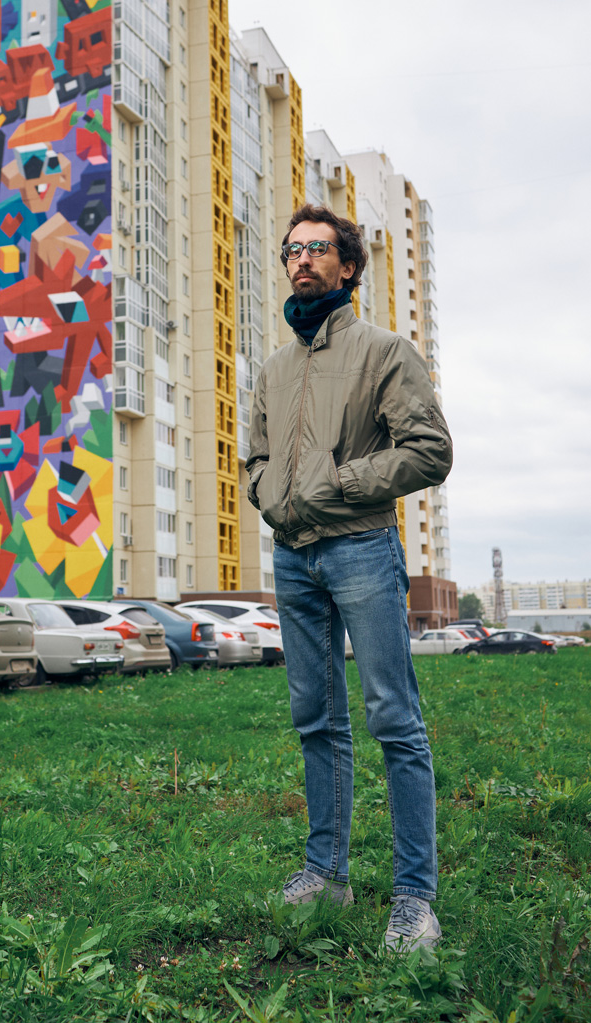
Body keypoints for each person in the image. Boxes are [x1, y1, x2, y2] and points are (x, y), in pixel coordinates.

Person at [246, 204, 453, 951]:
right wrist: (271, 496)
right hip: (294, 557)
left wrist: (336, 482)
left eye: (317, 249)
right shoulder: (273, 367)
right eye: (291, 249)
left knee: (394, 717)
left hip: (362, 547)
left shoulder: (384, 351)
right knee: (315, 717)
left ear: (348, 266)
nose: (300, 259)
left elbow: (429, 449)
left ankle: (414, 897)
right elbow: (256, 460)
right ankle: (325, 870)